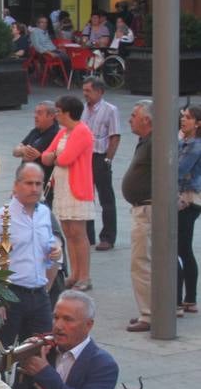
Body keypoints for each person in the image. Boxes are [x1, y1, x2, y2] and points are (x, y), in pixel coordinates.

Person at [0, 163, 63, 348]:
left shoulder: (45, 213)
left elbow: (47, 248)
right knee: (3, 351)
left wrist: (55, 250)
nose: (34, 189)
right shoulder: (0, 217)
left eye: (38, 184)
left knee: (42, 349)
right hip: (11, 295)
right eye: (29, 183)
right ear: (16, 185)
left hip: (39, 294)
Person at [42, 95, 95, 291]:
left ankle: (85, 276)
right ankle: (74, 273)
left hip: (77, 188)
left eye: (58, 111)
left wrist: (54, 156)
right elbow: (46, 156)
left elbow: (65, 159)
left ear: (67, 113)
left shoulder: (82, 132)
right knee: (68, 232)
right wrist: (55, 156)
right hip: (63, 187)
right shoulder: (64, 133)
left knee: (79, 233)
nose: (56, 115)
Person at [120, 101, 156, 331]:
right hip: (143, 207)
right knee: (145, 261)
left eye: (134, 115)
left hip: (148, 210)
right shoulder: (146, 141)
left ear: (147, 120)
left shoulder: (155, 142)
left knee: (141, 262)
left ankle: (149, 314)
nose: (130, 119)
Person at [79, 79, 120, 251]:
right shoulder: (82, 109)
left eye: (88, 90)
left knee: (106, 198)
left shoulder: (110, 110)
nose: (85, 94)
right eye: (84, 90)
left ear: (99, 92)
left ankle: (108, 237)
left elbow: (115, 136)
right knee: (86, 198)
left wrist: (108, 159)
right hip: (84, 157)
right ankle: (88, 236)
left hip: (100, 156)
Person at [179, 105, 201, 314]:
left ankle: (191, 298)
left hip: (189, 200)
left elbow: (177, 170)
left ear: (198, 123)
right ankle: (189, 297)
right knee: (182, 248)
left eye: (188, 117)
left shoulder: (194, 146)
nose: (183, 120)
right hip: (183, 198)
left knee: (183, 248)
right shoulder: (184, 142)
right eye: (182, 116)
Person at [14, 101, 60, 181]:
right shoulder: (35, 131)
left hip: (42, 181)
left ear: (51, 116)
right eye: (35, 113)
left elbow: (58, 160)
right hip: (26, 178)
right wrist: (23, 150)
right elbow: (15, 151)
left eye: (39, 113)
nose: (35, 116)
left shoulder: (56, 134)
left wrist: (39, 156)